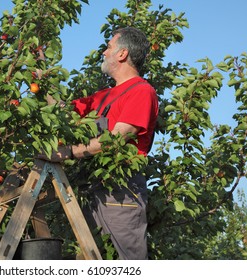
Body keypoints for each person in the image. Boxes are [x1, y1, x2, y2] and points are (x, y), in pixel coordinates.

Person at [39, 27, 158, 260]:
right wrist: (42, 73)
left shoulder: (142, 91)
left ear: (122, 54)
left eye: (109, 47)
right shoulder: (104, 96)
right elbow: (63, 112)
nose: (104, 52)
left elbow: (117, 138)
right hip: (92, 190)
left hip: (121, 192)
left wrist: (68, 152)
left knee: (128, 263)